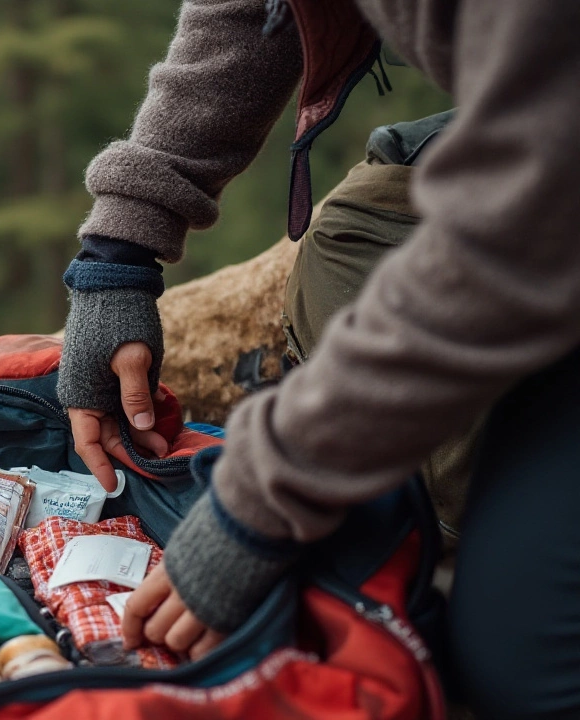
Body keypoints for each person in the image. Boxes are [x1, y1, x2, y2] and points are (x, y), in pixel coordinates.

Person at [55, 1, 580, 717]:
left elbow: (523, 221)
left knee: (524, 673)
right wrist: (119, 256)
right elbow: (251, 9)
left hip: (553, 165)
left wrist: (261, 504)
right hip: (539, 122)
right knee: (359, 233)